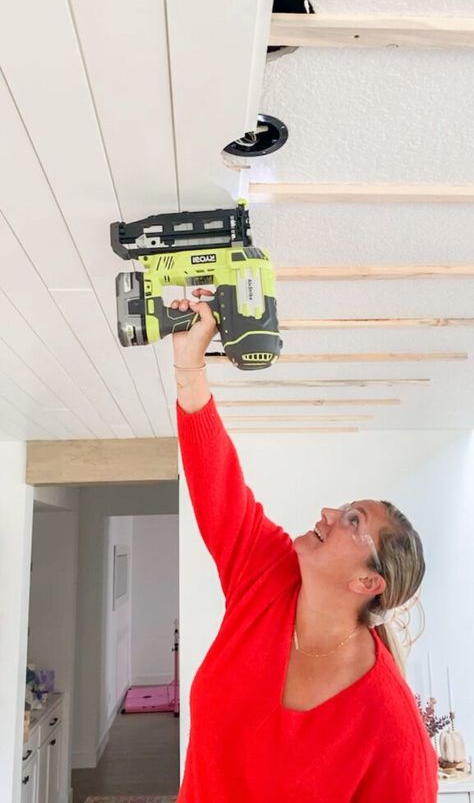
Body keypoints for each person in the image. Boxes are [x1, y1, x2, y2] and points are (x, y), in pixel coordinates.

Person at [171, 290, 438, 803]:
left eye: (351, 520)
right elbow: (216, 481)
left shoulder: (390, 725)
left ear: (368, 582)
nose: (328, 514)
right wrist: (190, 367)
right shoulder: (264, 575)